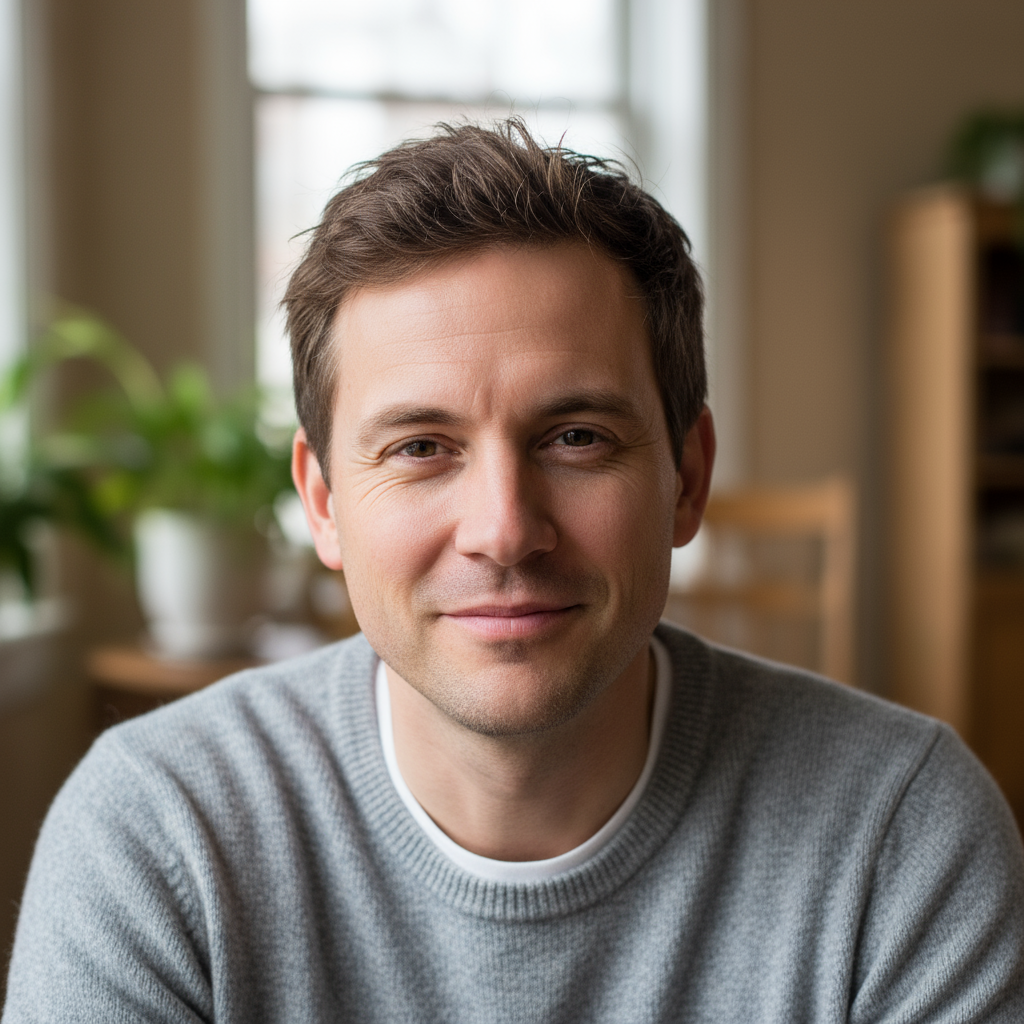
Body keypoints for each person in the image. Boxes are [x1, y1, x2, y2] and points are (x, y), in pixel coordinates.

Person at [4, 119, 1023, 1023]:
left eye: (576, 435)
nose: (503, 529)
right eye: (418, 446)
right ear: (320, 500)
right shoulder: (158, 837)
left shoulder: (901, 837)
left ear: (687, 477)